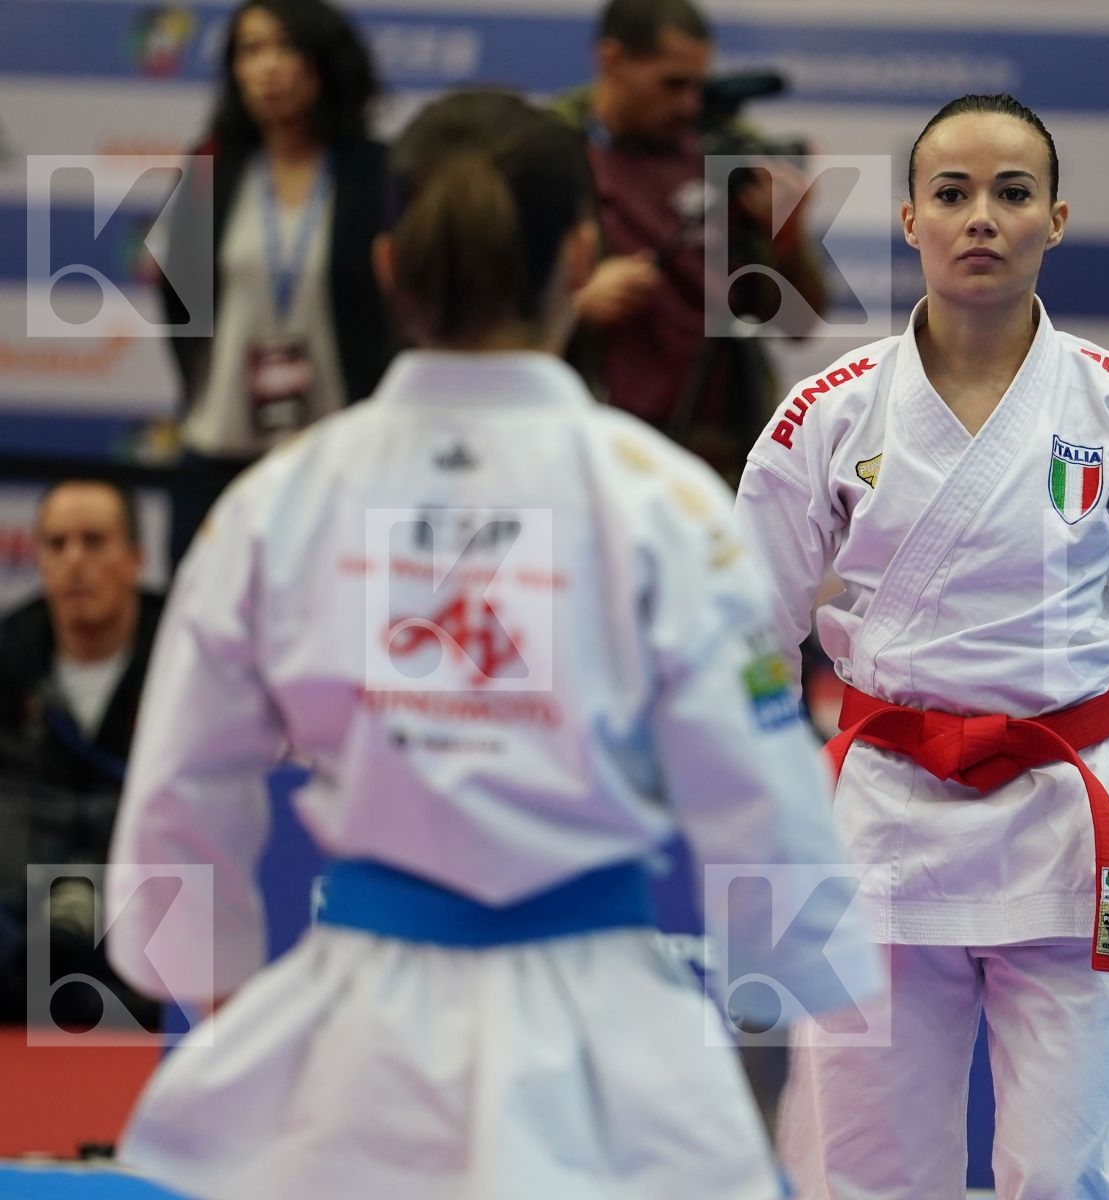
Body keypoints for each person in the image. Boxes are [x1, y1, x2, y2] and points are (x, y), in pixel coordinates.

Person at [106, 88, 880, 1200]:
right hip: (608, 1038)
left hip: (354, 1043)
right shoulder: (663, 502)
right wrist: (780, 1021)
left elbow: (179, 790)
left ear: (386, 267)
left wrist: (220, 996)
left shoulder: (280, 501)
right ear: (579, 258)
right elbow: (762, 805)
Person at [735, 94, 1109, 1199]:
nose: (980, 217)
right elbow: (745, 628)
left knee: (1067, 1167)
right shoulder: (827, 409)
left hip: (1063, 814)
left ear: (1053, 220)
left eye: (1011, 193)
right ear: (908, 218)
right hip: (880, 814)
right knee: (859, 1160)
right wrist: (771, 785)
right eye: (951, 193)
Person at [550, 0, 828, 479]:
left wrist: (786, 237)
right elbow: (491, 316)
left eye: (698, 85)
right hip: (592, 448)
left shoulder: (729, 150)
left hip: (722, 451)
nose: (690, 105)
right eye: (672, 84)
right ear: (611, 61)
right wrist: (577, 303)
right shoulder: (548, 152)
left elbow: (800, 323)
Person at [160, 0, 394, 563]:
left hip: (340, 457)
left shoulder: (377, 173)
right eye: (251, 50)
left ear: (324, 61)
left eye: (285, 47)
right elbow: (178, 297)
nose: (267, 67)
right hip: (220, 448)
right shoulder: (209, 166)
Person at [0, 481, 163, 1028]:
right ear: (38, 559)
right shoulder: (8, 656)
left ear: (135, 558)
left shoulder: (186, 660)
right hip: (20, 919)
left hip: (144, 917)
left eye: (94, 542)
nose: (74, 561)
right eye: (56, 544)